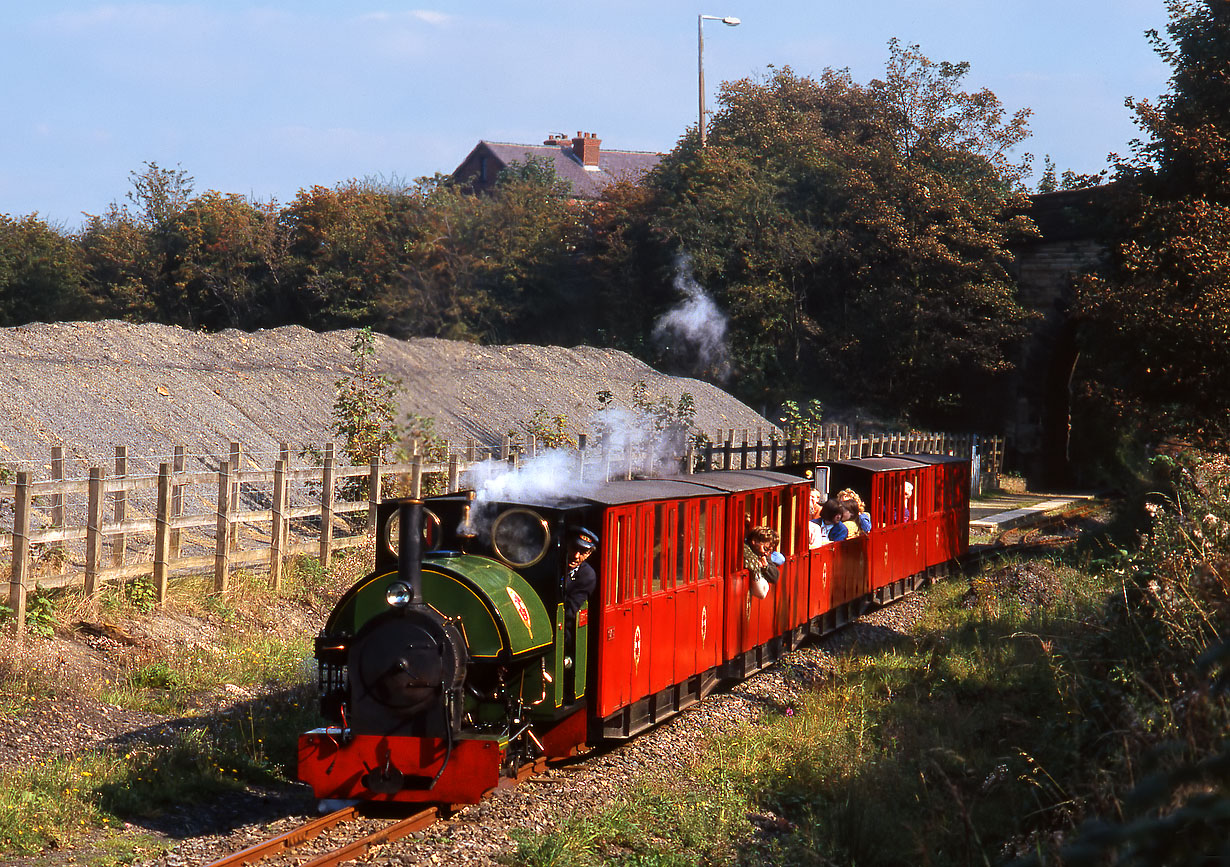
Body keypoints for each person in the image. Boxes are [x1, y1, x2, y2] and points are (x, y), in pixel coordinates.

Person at [561, 527, 598, 664]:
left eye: (582, 552)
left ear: (589, 554)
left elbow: (569, 611)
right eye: (574, 548)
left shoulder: (587, 576)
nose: (576, 556)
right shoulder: (556, 564)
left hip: (564, 630)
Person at [743, 524, 780, 597]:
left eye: (770, 551)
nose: (766, 553)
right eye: (765, 549)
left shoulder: (762, 554)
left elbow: (775, 577)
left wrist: (765, 567)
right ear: (754, 542)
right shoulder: (746, 550)